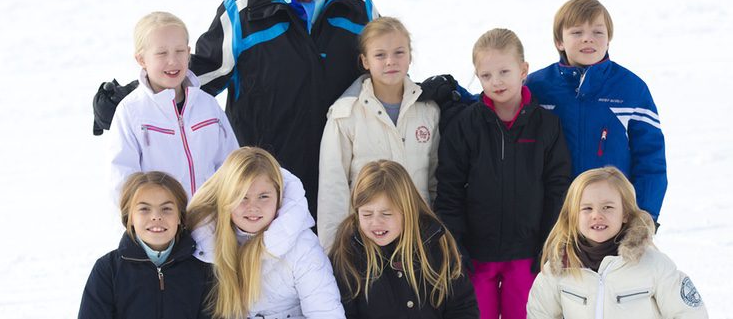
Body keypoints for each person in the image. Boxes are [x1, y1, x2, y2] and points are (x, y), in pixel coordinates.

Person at [94, 0, 378, 218]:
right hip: (265, 182)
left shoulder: (357, 6)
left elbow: (385, 70)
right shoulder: (244, 13)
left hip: (343, 173)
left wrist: (431, 97)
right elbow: (201, 71)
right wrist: (132, 95)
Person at [434, 28, 572, 319]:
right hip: (476, 257)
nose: (495, 82)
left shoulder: (546, 125)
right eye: (485, 76)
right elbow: (449, 189)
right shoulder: (465, 126)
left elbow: (558, 187)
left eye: (504, 72)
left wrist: (549, 242)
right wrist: (455, 245)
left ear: (523, 70)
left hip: (527, 255)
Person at [526, 0, 667, 223]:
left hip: (611, 217)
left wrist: (646, 215)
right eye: (577, 32)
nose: (588, 39)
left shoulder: (631, 89)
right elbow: (497, 104)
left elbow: (650, 159)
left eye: (598, 33)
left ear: (609, 40)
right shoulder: (537, 87)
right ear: (559, 42)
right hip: (552, 215)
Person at [318, 17, 439, 250]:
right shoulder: (345, 114)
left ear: (410, 56)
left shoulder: (428, 110)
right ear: (365, 60)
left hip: (417, 237)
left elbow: (434, 181)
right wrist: (333, 253)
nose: (390, 61)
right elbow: (333, 189)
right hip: (366, 239)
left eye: (399, 53)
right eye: (380, 55)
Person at [527, 167, 708, 318]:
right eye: (587, 208)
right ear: (573, 216)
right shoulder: (560, 268)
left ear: (625, 214)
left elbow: (690, 313)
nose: (597, 215)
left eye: (607, 207)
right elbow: (539, 314)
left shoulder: (653, 265)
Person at [186, 147, 344, 319]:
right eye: (242, 197)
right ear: (226, 198)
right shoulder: (204, 243)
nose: (253, 207)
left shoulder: (302, 247)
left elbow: (326, 312)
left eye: (263, 197)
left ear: (279, 195)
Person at [109, 11, 239, 202]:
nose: (173, 61)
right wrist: (135, 228)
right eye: (162, 53)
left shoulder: (208, 106)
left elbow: (231, 165)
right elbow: (122, 182)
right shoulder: (131, 112)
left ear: (188, 53)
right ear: (142, 60)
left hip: (210, 223)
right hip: (160, 226)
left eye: (179, 51)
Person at [330, 160, 479, 319]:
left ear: (407, 211)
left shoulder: (436, 243)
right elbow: (342, 313)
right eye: (366, 214)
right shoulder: (348, 253)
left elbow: (462, 307)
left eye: (386, 214)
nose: (375, 223)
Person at [78, 171, 212, 319]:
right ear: (130, 217)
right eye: (144, 209)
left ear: (180, 217)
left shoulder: (203, 269)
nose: (156, 216)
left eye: (166, 209)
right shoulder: (108, 270)